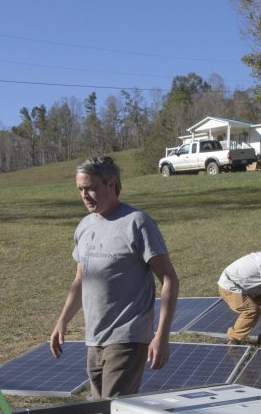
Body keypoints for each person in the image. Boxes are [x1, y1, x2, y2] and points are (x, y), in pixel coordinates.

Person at [50, 156, 179, 397]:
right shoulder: (84, 227)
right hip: (94, 338)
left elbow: (169, 278)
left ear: (112, 184)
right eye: (80, 189)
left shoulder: (136, 223)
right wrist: (63, 321)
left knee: (113, 411)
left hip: (127, 337)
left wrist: (162, 336)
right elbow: (80, 280)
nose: (85, 195)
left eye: (91, 188)